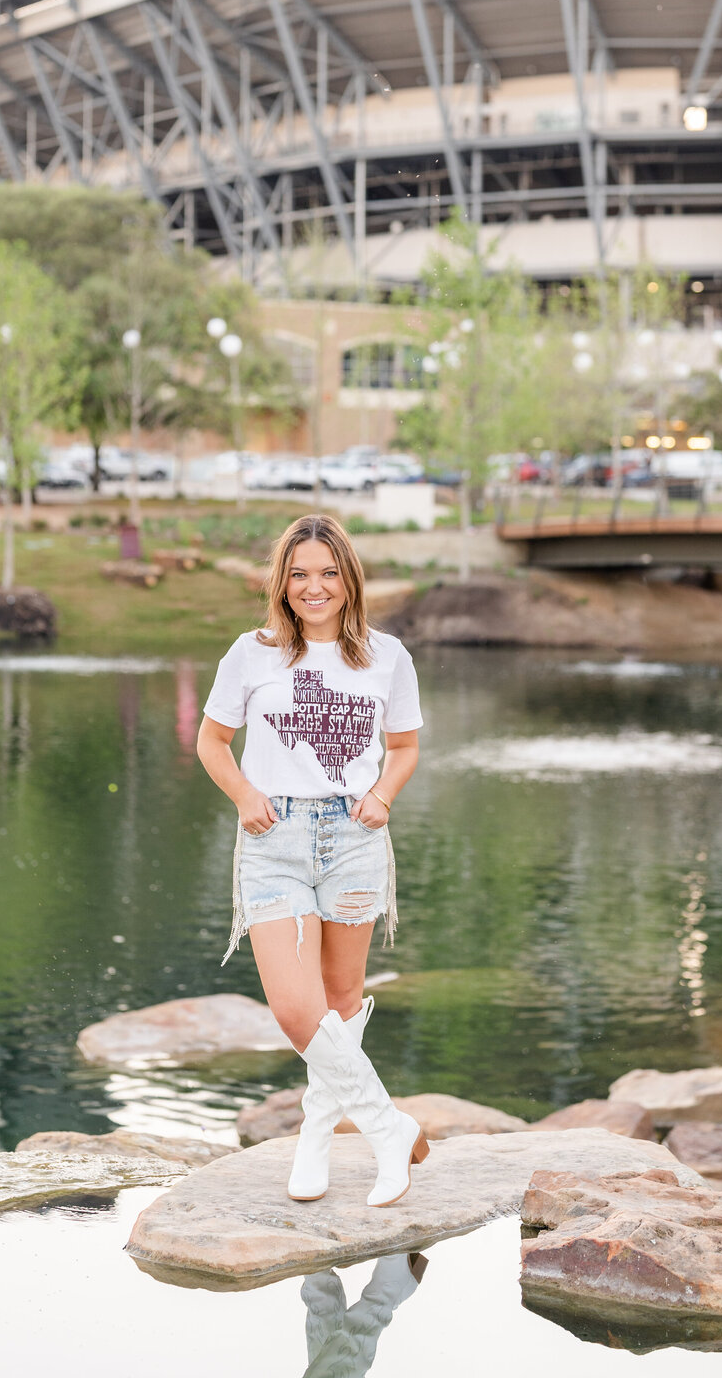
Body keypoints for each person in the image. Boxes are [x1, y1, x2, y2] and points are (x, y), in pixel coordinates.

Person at [196, 513, 426, 1208]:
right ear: (283, 584)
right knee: (297, 1010)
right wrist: (244, 795)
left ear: (349, 580)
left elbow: (406, 747)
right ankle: (389, 1127)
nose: (315, 586)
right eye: (300, 574)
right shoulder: (252, 652)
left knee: (341, 1002)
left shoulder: (386, 657)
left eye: (329, 572)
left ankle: (317, 1140)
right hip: (275, 841)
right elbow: (212, 742)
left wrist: (384, 793)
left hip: (354, 837)